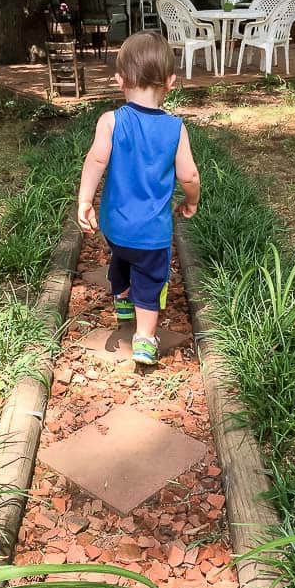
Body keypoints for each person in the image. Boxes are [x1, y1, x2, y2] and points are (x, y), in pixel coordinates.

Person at [77, 32, 200, 365]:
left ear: (119, 80)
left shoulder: (111, 121)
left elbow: (96, 160)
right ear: (171, 82)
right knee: (149, 276)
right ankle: (144, 338)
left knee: (122, 256)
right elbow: (189, 176)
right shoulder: (176, 128)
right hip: (153, 233)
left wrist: (85, 200)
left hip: (116, 226)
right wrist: (191, 201)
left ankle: (121, 297)